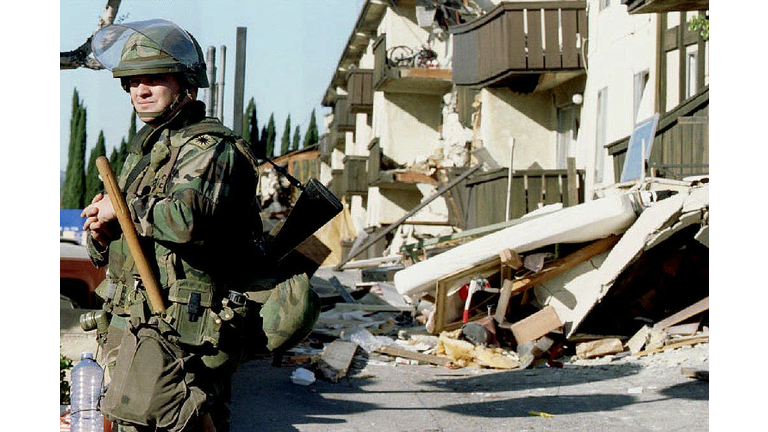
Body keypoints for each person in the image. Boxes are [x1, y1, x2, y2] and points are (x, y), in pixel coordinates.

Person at [82, 19, 266, 432]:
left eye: (154, 79)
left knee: (179, 421)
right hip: (136, 320)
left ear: (186, 84)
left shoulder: (211, 148)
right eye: (131, 82)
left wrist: (122, 208)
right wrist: (104, 232)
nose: (139, 91)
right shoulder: (148, 151)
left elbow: (187, 221)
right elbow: (132, 238)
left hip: (182, 323)